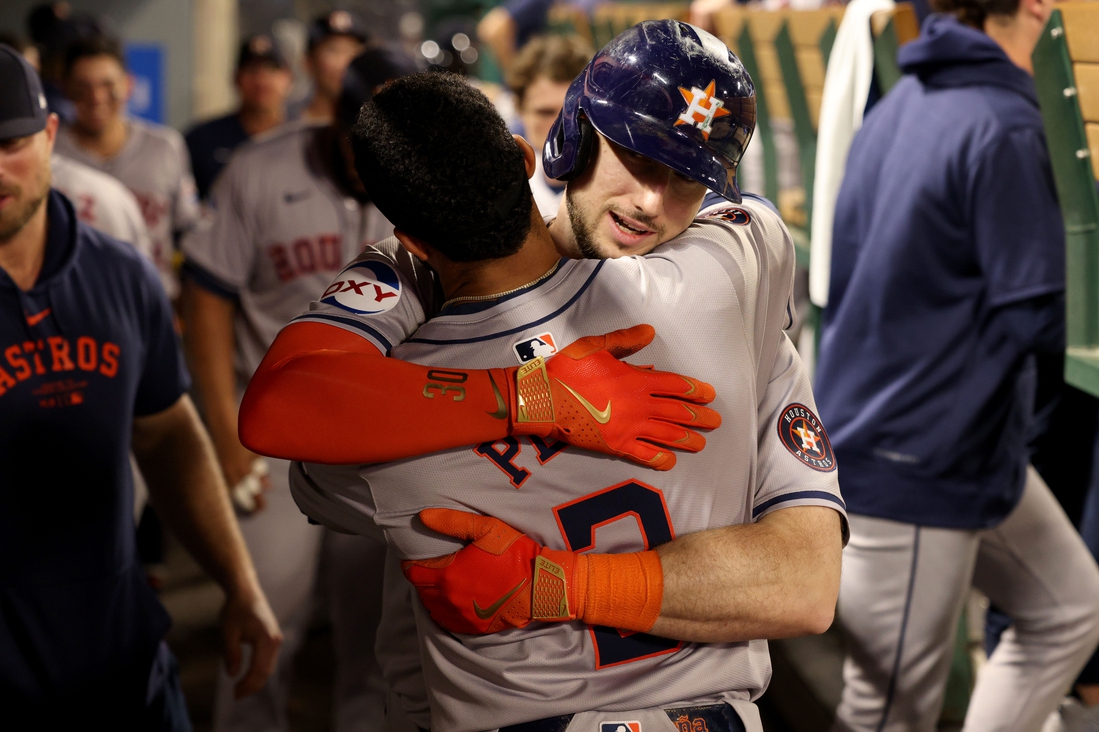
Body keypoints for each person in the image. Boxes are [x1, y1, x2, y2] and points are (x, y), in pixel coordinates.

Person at [242, 21, 845, 731]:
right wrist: (535, 392)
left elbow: (805, 586)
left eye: (686, 177)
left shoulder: (399, 382)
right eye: (635, 157)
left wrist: (547, 583)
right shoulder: (736, 270)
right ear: (559, 140)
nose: (651, 202)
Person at [813, 0, 1099, 729]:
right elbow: (1037, 316)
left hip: (922, 435)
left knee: (1069, 607)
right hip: (913, 456)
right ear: (1034, 7)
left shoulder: (905, 99)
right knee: (885, 714)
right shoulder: (1001, 121)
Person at [0, 44, 281, 728]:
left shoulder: (120, 274)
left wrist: (239, 583)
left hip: (120, 656)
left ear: (50, 136)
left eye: (9, 144)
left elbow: (165, 430)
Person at [180, 47, 418, 732]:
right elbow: (206, 297)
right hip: (275, 444)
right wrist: (225, 436)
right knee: (260, 624)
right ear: (332, 118)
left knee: (377, 643)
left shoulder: (426, 176)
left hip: (382, 448)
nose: (361, 154)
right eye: (352, 135)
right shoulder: (260, 169)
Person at [53, 34, 199, 300]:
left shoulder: (164, 147)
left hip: (153, 299)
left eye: (108, 85)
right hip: (72, 302)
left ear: (129, 85)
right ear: (65, 88)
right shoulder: (49, 152)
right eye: (82, 86)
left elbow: (189, 231)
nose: (96, 97)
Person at [185, 35, 294, 201]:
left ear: (288, 78)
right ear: (235, 78)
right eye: (252, 70)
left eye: (271, 69)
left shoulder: (305, 139)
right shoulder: (201, 140)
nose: (261, 80)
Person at [506, 34, 592, 216]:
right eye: (545, 112)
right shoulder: (502, 189)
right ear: (520, 109)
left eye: (573, 112)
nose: (560, 125)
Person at [294, 11, 369, 124]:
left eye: (353, 51)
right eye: (333, 50)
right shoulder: (285, 124)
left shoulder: (377, 123)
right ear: (308, 62)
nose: (344, 63)